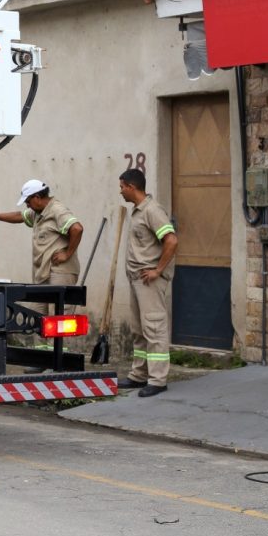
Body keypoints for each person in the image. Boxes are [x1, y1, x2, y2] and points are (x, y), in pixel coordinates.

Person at [116, 169, 178, 397]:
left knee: (154, 328)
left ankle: (158, 380)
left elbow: (171, 240)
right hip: (137, 279)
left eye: (122, 187)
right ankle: (139, 375)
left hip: (149, 280)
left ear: (132, 187)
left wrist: (158, 270)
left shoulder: (152, 210)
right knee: (138, 329)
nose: (120, 191)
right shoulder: (138, 211)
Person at [0, 178, 84, 294]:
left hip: (59, 272)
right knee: (37, 305)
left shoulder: (57, 209)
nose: (27, 206)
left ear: (37, 197)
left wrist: (67, 254)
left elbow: (77, 229)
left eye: (28, 202)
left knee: (57, 306)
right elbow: (19, 216)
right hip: (43, 273)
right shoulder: (38, 212)